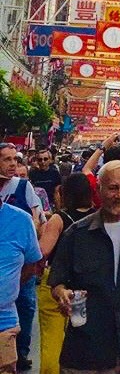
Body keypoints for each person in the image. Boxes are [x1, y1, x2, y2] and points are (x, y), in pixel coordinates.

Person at [49, 161, 120, 374]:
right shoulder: (77, 233)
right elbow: (57, 281)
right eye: (112, 188)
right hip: (85, 355)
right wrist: (63, 294)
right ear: (98, 189)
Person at [37, 173, 96, 374]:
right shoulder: (98, 216)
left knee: (52, 340)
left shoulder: (59, 219)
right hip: (87, 285)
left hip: (56, 282)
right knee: (83, 338)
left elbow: (43, 251)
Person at [0, 142, 43, 372]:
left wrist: (10, 287)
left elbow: (31, 264)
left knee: (27, 305)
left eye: (14, 159)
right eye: (6, 159)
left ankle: (23, 351)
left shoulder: (20, 218)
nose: (12, 165)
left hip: (4, 323)